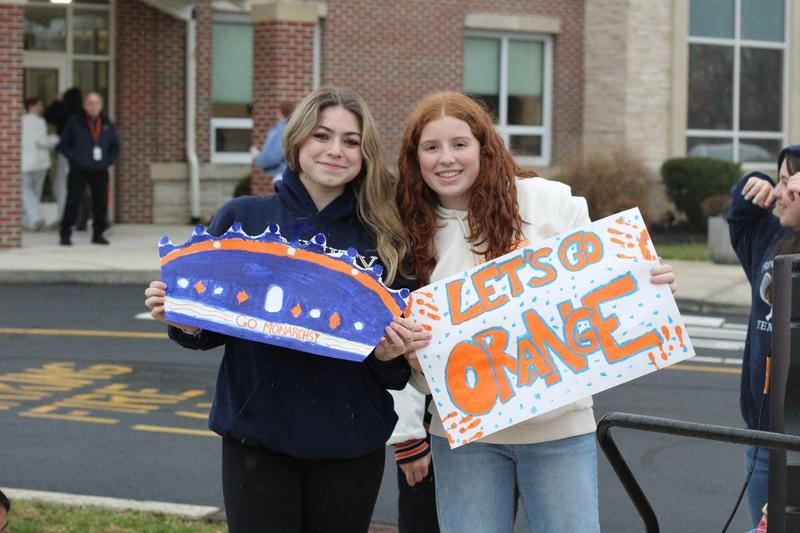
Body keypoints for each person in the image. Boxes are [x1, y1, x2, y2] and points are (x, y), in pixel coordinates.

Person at [145, 86, 431, 533]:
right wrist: (185, 320)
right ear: (297, 141)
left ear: (365, 153)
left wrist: (389, 354)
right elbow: (208, 332)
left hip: (350, 443)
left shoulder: (385, 239)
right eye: (322, 135)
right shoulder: (244, 219)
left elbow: (394, 374)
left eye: (351, 141)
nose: (335, 150)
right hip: (258, 440)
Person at [395, 91, 678, 533]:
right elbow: (407, 363)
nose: (446, 159)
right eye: (431, 148)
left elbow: (605, 288)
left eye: (460, 144)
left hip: (558, 432)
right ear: (415, 158)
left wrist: (646, 283)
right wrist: (410, 357)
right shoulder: (407, 233)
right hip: (464, 439)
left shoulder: (548, 203)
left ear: (484, 148)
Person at [727, 144, 800, 526]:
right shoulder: (768, 241)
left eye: (791, 183)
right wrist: (749, 187)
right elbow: (740, 221)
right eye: (781, 180)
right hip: (762, 435)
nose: (781, 193)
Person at [58, 91, 119, 246]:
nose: (93, 106)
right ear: (85, 105)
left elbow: (115, 146)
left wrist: (107, 161)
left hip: (100, 169)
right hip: (79, 168)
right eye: (90, 103)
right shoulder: (75, 122)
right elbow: (63, 145)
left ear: (101, 106)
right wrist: (76, 158)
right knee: (73, 200)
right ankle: (65, 234)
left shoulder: (106, 123)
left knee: (100, 202)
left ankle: (98, 234)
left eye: (96, 103)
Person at [388, 387, 440, 533]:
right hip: (429, 429)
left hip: (484, 419)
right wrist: (408, 438)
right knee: (422, 519)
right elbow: (401, 368)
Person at [44, 87, 83, 220]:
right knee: (76, 186)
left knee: (61, 186)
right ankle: (76, 217)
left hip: (66, 154)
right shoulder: (83, 114)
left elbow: (48, 115)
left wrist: (57, 101)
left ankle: (65, 217)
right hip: (81, 155)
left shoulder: (65, 112)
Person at [21, 96, 59, 230]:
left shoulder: (20, 121)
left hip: (24, 162)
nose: (41, 108)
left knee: (26, 191)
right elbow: (41, 141)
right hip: (39, 162)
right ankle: (34, 218)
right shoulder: (39, 121)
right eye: (40, 105)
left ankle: (29, 221)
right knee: (33, 192)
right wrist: (55, 139)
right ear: (32, 106)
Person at [251, 100, 295, 192]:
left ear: (280, 112)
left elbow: (270, 158)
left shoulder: (282, 130)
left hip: (283, 177)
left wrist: (257, 155)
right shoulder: (295, 128)